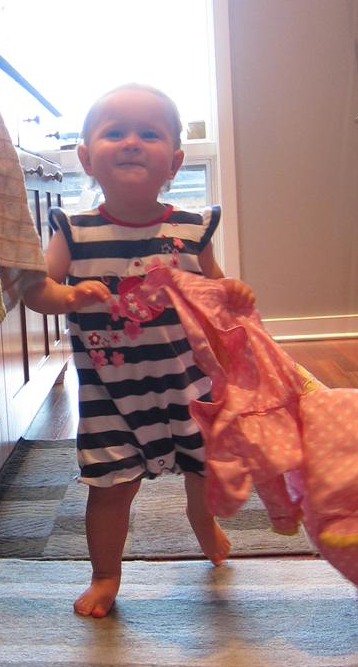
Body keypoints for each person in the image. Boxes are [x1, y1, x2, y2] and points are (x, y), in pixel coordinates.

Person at [22, 83, 255, 618]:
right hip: (112, 395)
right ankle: (105, 575)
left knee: (204, 470)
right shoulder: (74, 231)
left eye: (148, 133)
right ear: (87, 159)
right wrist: (68, 296)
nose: (131, 142)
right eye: (115, 133)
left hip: (188, 385)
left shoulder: (191, 229)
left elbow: (214, 293)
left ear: (174, 161)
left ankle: (202, 521)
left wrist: (233, 294)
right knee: (110, 489)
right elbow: (37, 292)